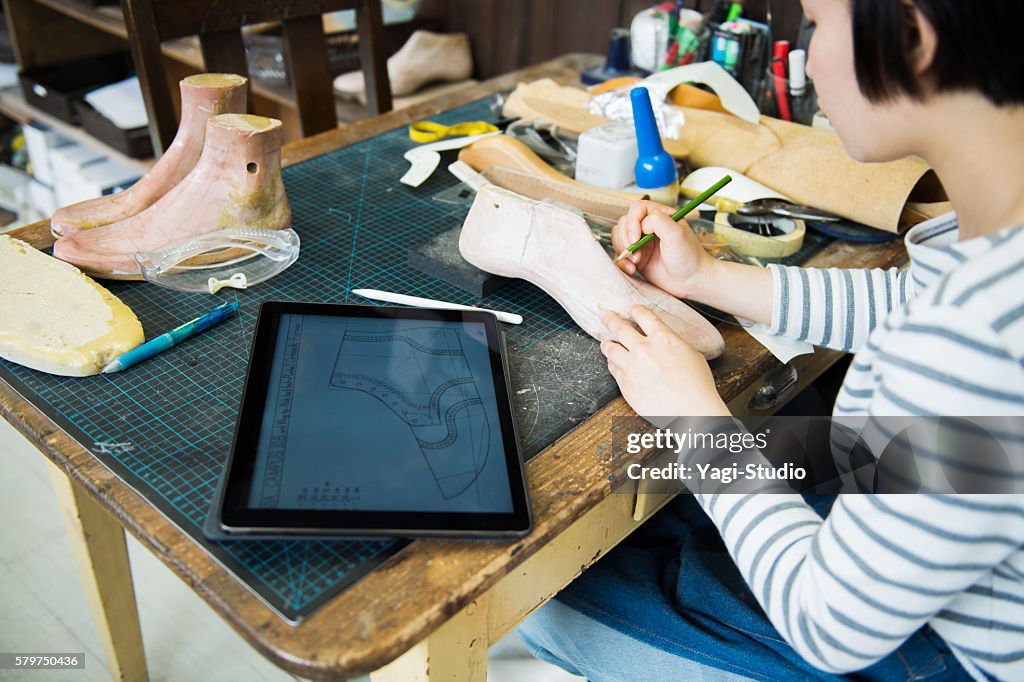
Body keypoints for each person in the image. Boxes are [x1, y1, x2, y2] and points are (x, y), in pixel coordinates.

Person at [517, 0, 1024, 680]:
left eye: (818, 26)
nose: (809, 60)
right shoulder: (997, 240)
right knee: (656, 491)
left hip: (947, 648)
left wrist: (696, 421)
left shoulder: (978, 330)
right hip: (937, 522)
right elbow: (910, 304)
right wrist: (710, 277)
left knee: (548, 601)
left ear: (912, 36)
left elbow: (832, 626)